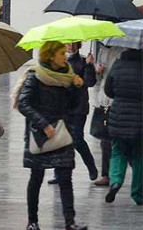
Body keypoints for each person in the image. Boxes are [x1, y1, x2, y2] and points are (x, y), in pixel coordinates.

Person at [16, 41, 88, 230]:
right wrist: (43, 124)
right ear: (50, 56)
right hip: (40, 134)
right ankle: (32, 221)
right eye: (61, 53)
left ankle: (70, 224)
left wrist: (78, 87)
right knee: (36, 178)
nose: (65, 56)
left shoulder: (67, 76)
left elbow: (72, 106)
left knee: (65, 177)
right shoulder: (35, 76)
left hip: (61, 132)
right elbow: (23, 104)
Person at [49, 42, 98, 184]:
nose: (70, 46)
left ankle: (91, 167)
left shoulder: (83, 61)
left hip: (78, 108)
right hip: (62, 107)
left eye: (73, 43)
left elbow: (89, 82)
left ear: (78, 45)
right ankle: (59, 173)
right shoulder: (58, 61)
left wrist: (89, 66)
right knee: (60, 141)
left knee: (77, 139)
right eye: (67, 43)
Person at [103, 48, 143, 205]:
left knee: (118, 151)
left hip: (118, 115)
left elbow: (108, 90)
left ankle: (116, 181)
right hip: (139, 118)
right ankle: (138, 194)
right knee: (139, 156)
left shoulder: (118, 64)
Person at [90, 44, 124, 187]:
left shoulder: (124, 52)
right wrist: (96, 70)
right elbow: (97, 80)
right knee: (105, 140)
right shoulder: (103, 51)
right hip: (103, 100)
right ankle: (106, 174)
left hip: (118, 101)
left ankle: (117, 174)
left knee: (122, 141)